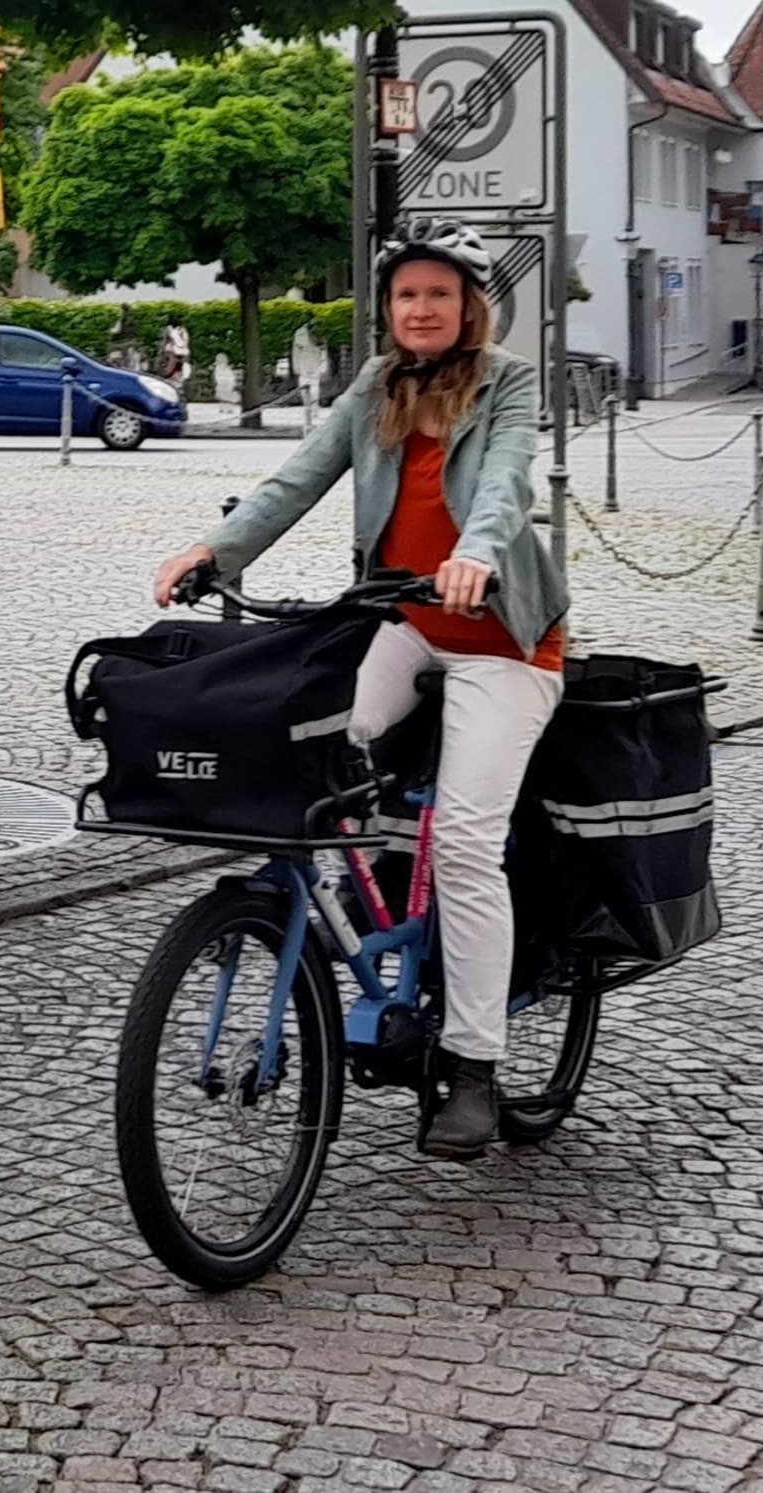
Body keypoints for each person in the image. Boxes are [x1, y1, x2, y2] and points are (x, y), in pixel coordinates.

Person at [150, 232, 561, 1161]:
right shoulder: (376, 384)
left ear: (469, 306)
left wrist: (476, 555)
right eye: (406, 294)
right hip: (405, 620)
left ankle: (473, 1065)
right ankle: (360, 896)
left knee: (464, 842)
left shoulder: (507, 382)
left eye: (439, 294)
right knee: (309, 742)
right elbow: (298, 476)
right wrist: (215, 550)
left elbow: (504, 483)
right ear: (388, 308)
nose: (421, 309)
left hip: (502, 638)